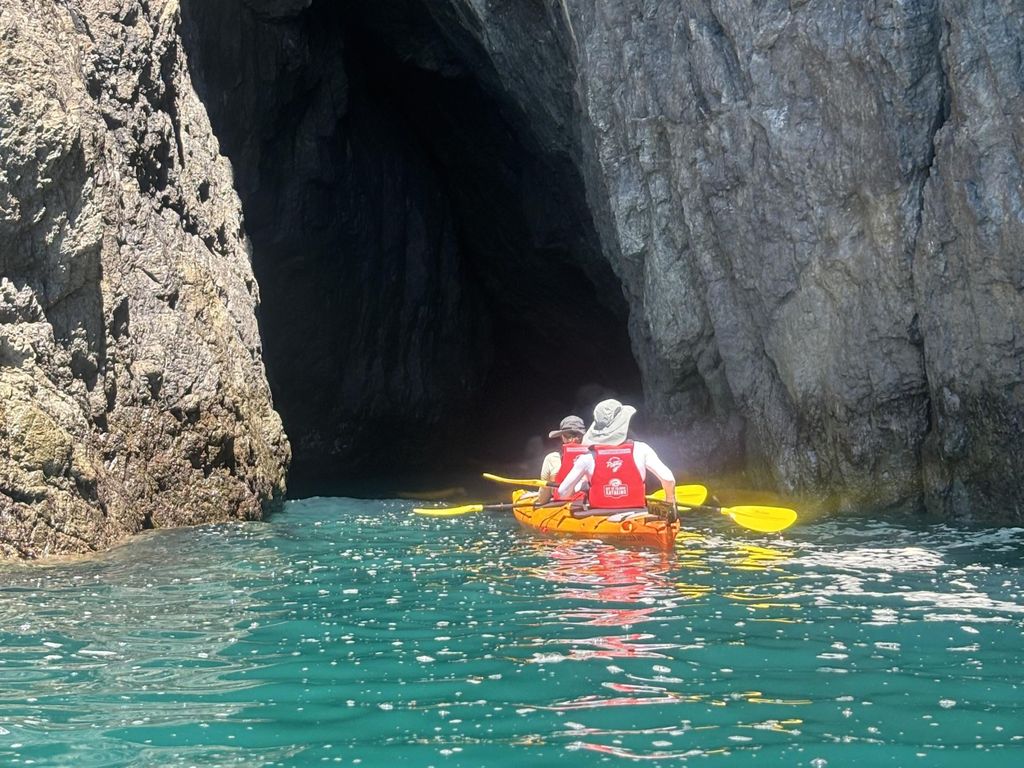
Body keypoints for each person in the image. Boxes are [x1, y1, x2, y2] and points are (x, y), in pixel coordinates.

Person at [556, 399, 676, 514]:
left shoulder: (587, 457)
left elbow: (563, 492)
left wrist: (582, 487)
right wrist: (670, 501)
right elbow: (668, 479)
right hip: (637, 514)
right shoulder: (642, 449)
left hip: (599, 517)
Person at [537, 415, 589, 504]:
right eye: (569, 435)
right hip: (586, 503)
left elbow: (543, 499)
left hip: (562, 502)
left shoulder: (552, 459)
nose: (573, 440)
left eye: (576, 435)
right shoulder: (594, 456)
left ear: (562, 437)